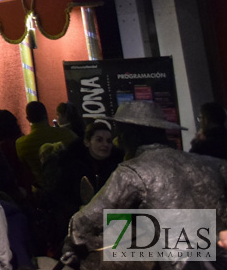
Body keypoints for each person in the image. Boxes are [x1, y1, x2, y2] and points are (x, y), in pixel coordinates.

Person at [63, 101, 227, 270]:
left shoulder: (133, 171)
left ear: (132, 135)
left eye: (121, 133)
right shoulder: (215, 165)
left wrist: (72, 248)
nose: (118, 140)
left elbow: (83, 224)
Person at [40, 121, 123, 256]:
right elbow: (58, 197)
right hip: (76, 227)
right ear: (87, 142)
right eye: (99, 140)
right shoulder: (70, 167)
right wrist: (78, 211)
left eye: (108, 141)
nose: (105, 145)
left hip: (110, 227)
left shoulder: (118, 168)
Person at [15, 101, 76, 185]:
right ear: (46, 115)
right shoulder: (67, 133)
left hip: (42, 189)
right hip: (70, 183)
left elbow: (25, 171)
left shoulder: (21, 144)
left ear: (28, 118)